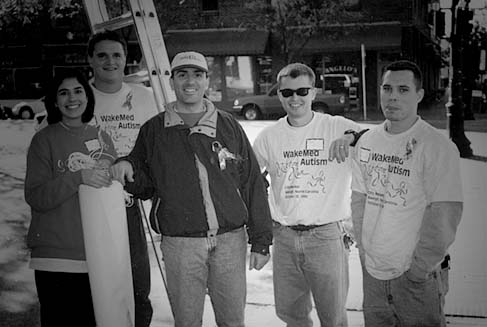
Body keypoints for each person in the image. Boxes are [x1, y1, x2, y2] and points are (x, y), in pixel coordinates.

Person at [110, 51, 273, 327]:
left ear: (207, 80)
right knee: (186, 323)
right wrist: (126, 167)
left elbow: (252, 183)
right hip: (180, 245)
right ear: (172, 80)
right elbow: (145, 184)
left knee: (233, 322)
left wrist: (261, 241)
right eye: (182, 74)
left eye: (197, 74)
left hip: (229, 242)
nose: (190, 81)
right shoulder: (154, 129)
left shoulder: (228, 125)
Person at [351, 60, 463, 326]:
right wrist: (365, 252)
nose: (392, 97)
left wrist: (419, 269)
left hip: (415, 277)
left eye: (403, 90)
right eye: (387, 89)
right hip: (373, 274)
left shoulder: (437, 146)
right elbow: (359, 199)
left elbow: (445, 214)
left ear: (419, 95)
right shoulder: (367, 140)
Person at [252, 62, 361, 327]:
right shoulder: (268, 137)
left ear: (313, 92)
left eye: (302, 91)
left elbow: (376, 136)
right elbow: (249, 181)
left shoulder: (337, 126)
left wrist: (351, 138)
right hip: (285, 238)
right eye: (287, 92)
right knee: (292, 316)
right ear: (279, 95)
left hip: (326, 238)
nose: (295, 98)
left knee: (333, 318)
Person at [25, 69, 117, 327]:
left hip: (99, 257)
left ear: (88, 97)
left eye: (78, 91)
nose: (72, 98)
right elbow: (36, 196)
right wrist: (77, 177)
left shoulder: (103, 137)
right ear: (54, 102)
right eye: (63, 93)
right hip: (56, 259)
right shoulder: (43, 140)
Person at [87, 30, 157, 327]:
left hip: (131, 203)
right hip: (91, 204)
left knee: (137, 282)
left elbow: (158, 149)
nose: (110, 61)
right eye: (102, 55)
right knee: (96, 287)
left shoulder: (144, 98)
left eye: (117, 55)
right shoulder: (79, 96)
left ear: (126, 59)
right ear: (89, 59)